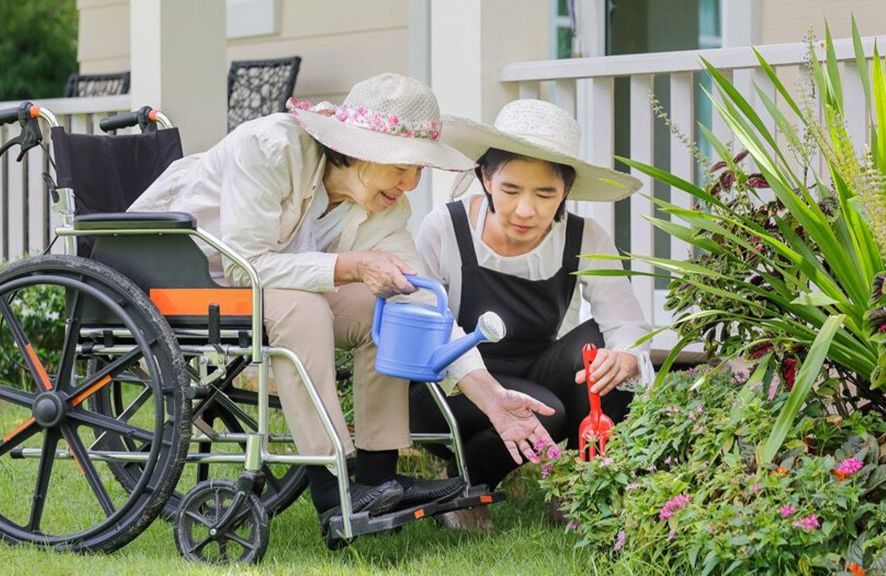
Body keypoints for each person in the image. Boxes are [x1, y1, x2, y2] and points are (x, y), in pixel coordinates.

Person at [128, 74, 556, 527]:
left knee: (390, 307)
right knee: (304, 303)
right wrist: (349, 266)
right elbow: (244, 265)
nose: (410, 184)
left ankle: (378, 477)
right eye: (401, 167)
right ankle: (333, 486)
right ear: (359, 150)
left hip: (269, 291)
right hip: (188, 278)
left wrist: (491, 399)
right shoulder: (270, 148)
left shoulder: (384, 205)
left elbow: (422, 302)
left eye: (419, 171)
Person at [410, 99, 655, 527]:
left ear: (567, 191)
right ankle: (466, 485)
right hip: (448, 388)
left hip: (535, 371)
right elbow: (425, 331)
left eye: (545, 194)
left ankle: (584, 490)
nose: (527, 210)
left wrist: (627, 357)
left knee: (601, 350)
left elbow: (625, 322)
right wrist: (485, 388)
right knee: (548, 410)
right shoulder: (444, 228)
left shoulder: (584, 236)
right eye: (510, 190)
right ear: (485, 177)